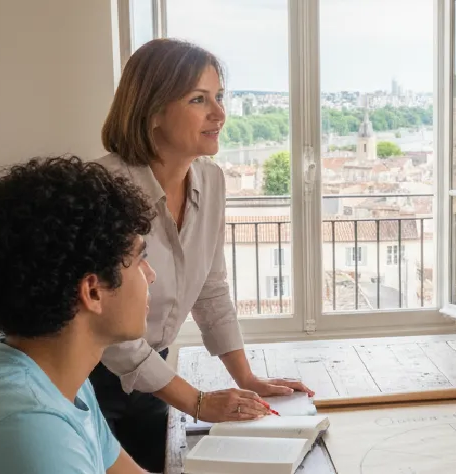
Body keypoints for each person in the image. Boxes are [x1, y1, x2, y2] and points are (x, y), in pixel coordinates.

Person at [92, 38, 312, 472]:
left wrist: (246, 379)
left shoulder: (210, 181)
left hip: (152, 374)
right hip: (88, 380)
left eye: (219, 97)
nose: (219, 113)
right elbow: (111, 334)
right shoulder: (103, 188)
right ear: (153, 111)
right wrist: (197, 401)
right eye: (198, 99)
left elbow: (211, 289)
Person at [0, 156, 155, 473]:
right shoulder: (32, 429)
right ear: (92, 292)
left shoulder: (54, 372)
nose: (150, 275)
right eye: (139, 261)